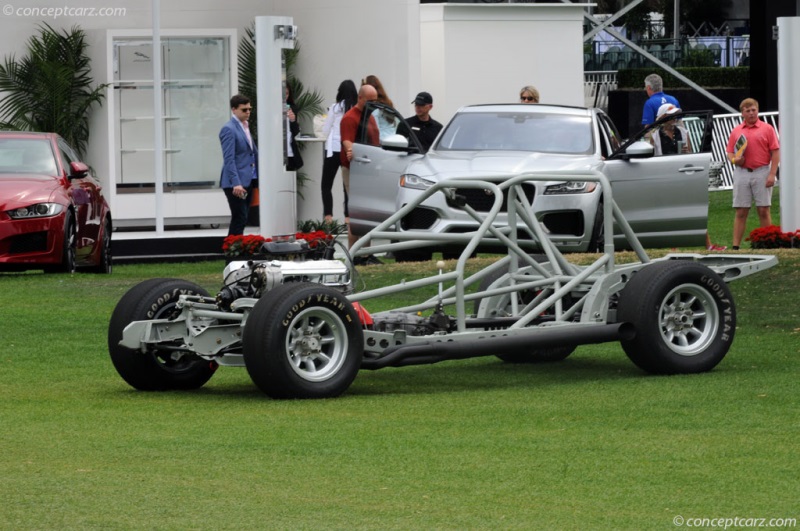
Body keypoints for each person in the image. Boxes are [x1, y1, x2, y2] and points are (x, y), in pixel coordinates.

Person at [650, 104, 725, 251]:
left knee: (693, 209)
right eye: (670, 115)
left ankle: (708, 245)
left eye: (675, 115)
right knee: (669, 212)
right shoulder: (654, 136)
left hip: (681, 176)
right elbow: (651, 157)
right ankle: (673, 247)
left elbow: (690, 154)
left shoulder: (684, 132)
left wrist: (687, 151)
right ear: (662, 117)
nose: (674, 118)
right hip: (664, 177)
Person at [726, 97, 780, 250]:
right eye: (747, 111)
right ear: (742, 113)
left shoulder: (767, 128)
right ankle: (735, 247)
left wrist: (772, 174)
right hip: (742, 172)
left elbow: (775, 152)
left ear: (757, 110)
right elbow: (730, 152)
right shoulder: (736, 131)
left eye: (754, 110)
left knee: (763, 209)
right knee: (741, 211)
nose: (751, 113)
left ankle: (767, 244)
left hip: (762, 171)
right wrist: (735, 161)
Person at [340, 84, 380, 263]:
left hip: (369, 170)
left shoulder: (369, 116)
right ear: (360, 98)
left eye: (375, 101)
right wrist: (351, 151)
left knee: (367, 211)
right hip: (354, 170)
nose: (373, 104)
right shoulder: (349, 118)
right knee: (358, 213)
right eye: (370, 101)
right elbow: (346, 141)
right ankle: (354, 255)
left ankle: (365, 254)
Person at [219, 94, 257, 236]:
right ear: (234, 110)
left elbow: (252, 152)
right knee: (239, 217)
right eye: (244, 109)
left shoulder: (245, 126)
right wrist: (236, 183)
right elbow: (229, 158)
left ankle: (236, 251)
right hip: (235, 183)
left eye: (249, 109)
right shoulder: (229, 129)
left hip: (247, 179)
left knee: (242, 217)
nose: (248, 112)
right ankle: (231, 253)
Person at [320, 79, 358, 223]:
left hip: (333, 149)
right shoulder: (355, 109)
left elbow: (326, 129)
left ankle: (328, 217)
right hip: (349, 150)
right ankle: (348, 218)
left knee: (326, 185)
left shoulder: (335, 108)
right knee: (346, 185)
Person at [362, 74, 399, 140]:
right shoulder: (387, 102)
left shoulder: (374, 107)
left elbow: (375, 131)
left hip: (382, 143)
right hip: (394, 139)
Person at [284, 84, 304, 172]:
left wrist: (292, 120)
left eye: (287, 94)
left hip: (289, 151)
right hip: (274, 153)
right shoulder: (269, 109)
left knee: (289, 180)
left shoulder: (291, 108)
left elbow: (295, 132)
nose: (284, 96)